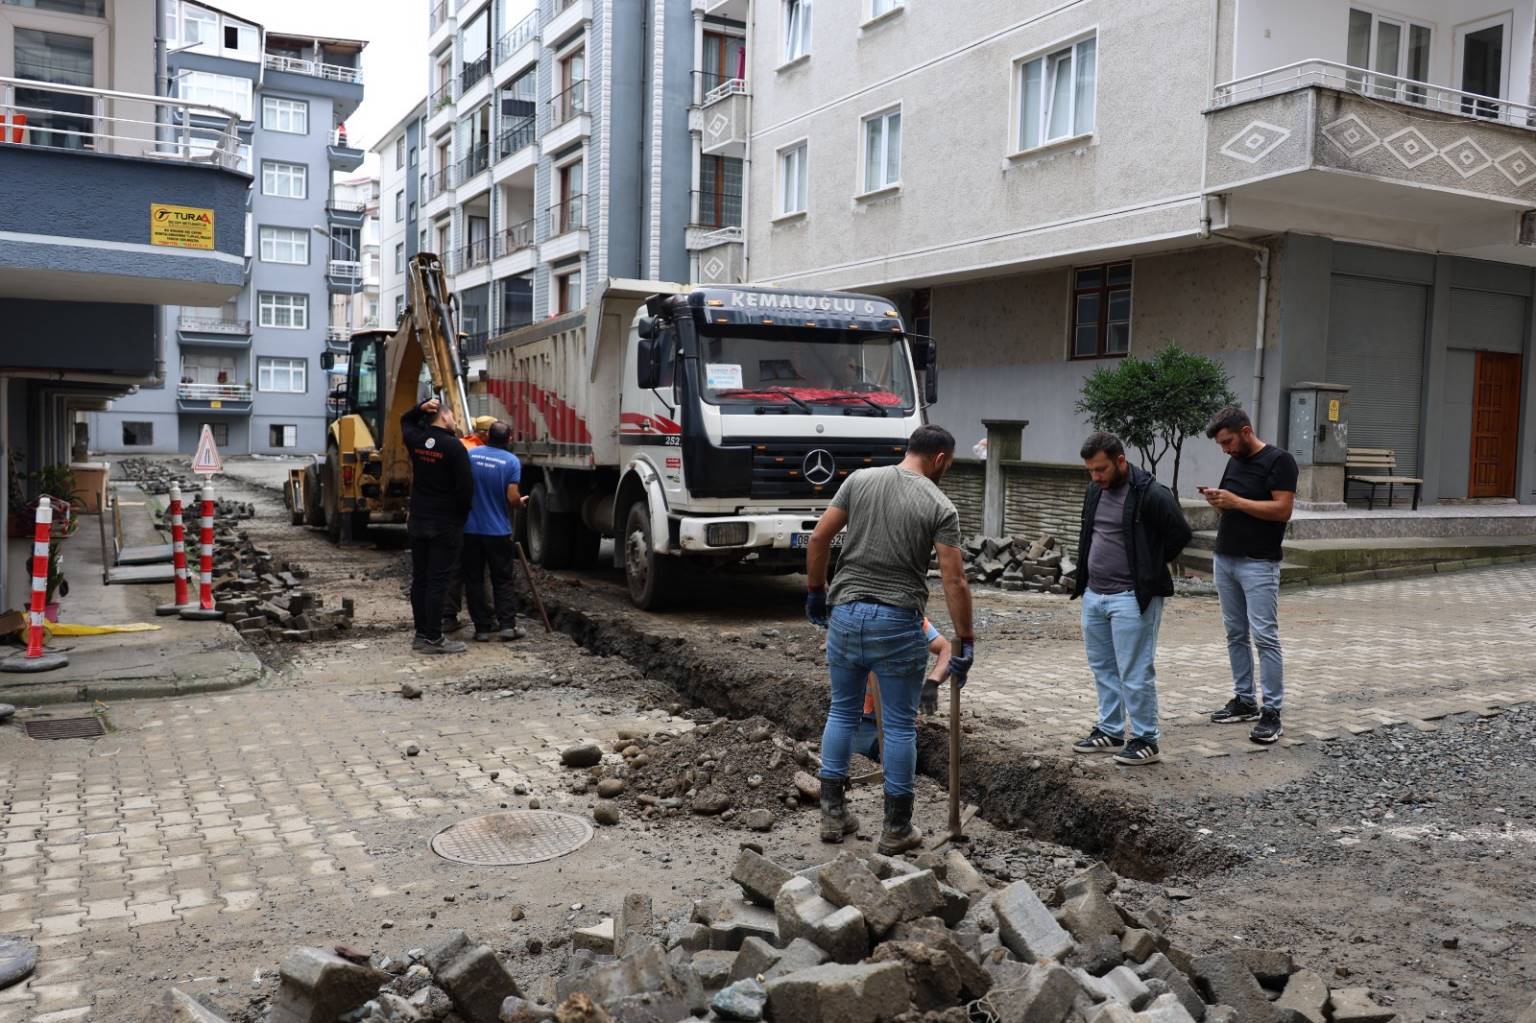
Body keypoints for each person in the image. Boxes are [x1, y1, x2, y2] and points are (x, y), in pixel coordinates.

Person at [805, 424, 975, 855]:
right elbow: (955, 581)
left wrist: (815, 591)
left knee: (841, 711)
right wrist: (965, 639)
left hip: (845, 612)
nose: (946, 473)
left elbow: (820, 537)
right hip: (897, 619)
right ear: (939, 459)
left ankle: (833, 813)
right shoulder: (939, 504)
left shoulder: (859, 481)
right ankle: (896, 829)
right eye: (948, 466)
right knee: (899, 725)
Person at [1069, 433, 1192, 766]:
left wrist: (1150, 568)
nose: (1096, 477)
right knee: (1103, 668)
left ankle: (1145, 738)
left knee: (1135, 672)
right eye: (1091, 471)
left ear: (1120, 461)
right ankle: (1110, 730)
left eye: (1101, 469)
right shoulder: (1095, 490)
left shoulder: (1152, 494)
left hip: (1132, 598)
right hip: (1095, 594)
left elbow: (1180, 533)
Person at [1201, 405, 1297, 745]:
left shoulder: (1279, 461)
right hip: (1225, 557)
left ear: (1245, 431)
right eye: (1221, 446)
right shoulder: (1235, 460)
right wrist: (1219, 501)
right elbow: (1234, 502)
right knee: (1234, 634)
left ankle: (1272, 711)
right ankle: (1244, 700)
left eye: (1228, 442)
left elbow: (1283, 509)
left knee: (1265, 637)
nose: (1225, 449)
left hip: (1258, 562)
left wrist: (1237, 502)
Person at [402, 395, 473, 654]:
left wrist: (418, 407)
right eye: (453, 415)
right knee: (438, 581)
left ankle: (421, 634)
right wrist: (460, 518)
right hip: (444, 523)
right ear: (443, 416)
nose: (454, 420)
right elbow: (465, 489)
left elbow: (405, 420)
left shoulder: (416, 440)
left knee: (420, 579)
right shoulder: (455, 447)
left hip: (419, 520)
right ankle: (434, 638)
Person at [463, 421, 528, 642]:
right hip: (498, 531)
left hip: (470, 530)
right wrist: (520, 502)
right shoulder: (511, 462)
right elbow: (512, 497)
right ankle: (507, 627)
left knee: (474, 579)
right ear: (509, 439)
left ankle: (482, 628)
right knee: (502, 579)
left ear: (487, 435)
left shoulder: (471, 456)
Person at [852, 620, 951, 760]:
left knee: (902, 772)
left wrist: (933, 682)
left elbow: (947, 649)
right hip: (860, 721)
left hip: (900, 719)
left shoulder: (911, 617)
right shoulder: (854, 617)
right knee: (857, 765)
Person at [443, 415, 499, 630]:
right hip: (476, 520)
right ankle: (487, 618)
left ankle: (448, 616)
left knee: (454, 569)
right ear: (484, 434)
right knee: (479, 572)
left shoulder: (458, 445)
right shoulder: (482, 453)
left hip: (455, 519)